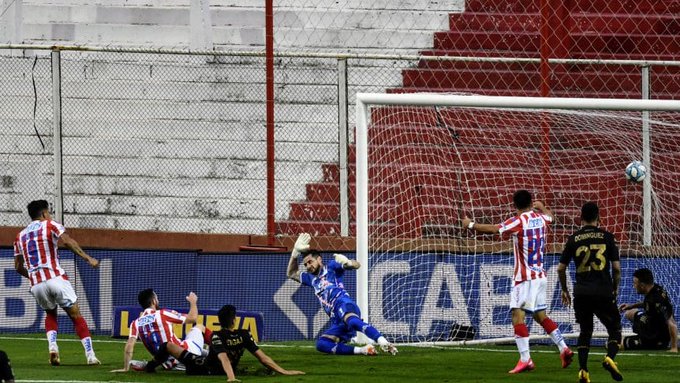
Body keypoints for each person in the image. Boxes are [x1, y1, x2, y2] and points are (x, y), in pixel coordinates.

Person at [462, 189, 573, 374]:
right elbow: (551, 217)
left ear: (514, 205)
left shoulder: (519, 221)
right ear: (531, 202)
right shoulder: (542, 218)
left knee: (517, 315)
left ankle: (525, 359)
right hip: (540, 276)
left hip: (525, 278)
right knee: (540, 316)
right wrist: (542, 207)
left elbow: (494, 229)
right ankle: (563, 348)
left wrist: (470, 224)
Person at [13, 200, 100, 366]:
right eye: (49, 212)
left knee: (50, 314)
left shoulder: (20, 236)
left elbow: (17, 266)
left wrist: (33, 276)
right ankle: (90, 355)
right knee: (75, 315)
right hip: (55, 277)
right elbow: (67, 241)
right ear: (44, 213)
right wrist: (88, 258)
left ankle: (53, 347)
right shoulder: (50, 224)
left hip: (37, 284)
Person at [287, 233, 397, 356]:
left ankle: (383, 341)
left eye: (310, 262)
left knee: (353, 322)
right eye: (306, 264)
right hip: (337, 320)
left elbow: (357, 265)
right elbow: (291, 273)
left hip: (344, 304)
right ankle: (363, 350)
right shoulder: (311, 279)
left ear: (319, 259)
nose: (308, 266)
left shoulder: (331, 267)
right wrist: (295, 253)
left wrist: (348, 263)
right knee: (321, 344)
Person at [557, 202, 623, 383]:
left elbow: (561, 268)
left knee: (585, 331)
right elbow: (616, 268)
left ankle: (583, 371)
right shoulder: (608, 237)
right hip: (603, 290)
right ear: (598, 218)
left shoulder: (573, 239)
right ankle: (609, 358)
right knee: (615, 329)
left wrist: (564, 289)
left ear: (581, 218)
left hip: (582, 292)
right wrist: (615, 288)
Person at [186, 304, 305, 381]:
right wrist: (284, 371)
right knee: (185, 358)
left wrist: (231, 377)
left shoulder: (216, 335)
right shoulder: (244, 334)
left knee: (172, 347)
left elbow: (224, 358)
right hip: (204, 369)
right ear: (234, 320)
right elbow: (263, 358)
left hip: (209, 366)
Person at [111, 289, 209, 373]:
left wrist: (125, 368)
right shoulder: (162, 314)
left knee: (206, 353)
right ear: (153, 301)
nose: (158, 300)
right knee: (199, 327)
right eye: (157, 298)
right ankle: (220, 347)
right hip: (184, 351)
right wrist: (193, 302)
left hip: (165, 361)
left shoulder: (136, 323)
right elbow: (192, 318)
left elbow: (129, 345)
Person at [619, 268, 678, 353]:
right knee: (630, 313)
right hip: (650, 323)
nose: (634, 286)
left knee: (614, 344)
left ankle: (643, 340)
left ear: (642, 285)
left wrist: (674, 348)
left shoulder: (657, 300)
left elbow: (672, 323)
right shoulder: (655, 288)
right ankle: (640, 333)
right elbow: (648, 304)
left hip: (655, 338)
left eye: (635, 283)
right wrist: (631, 306)